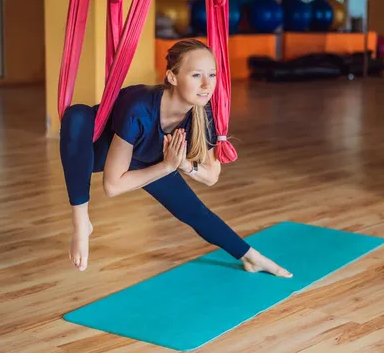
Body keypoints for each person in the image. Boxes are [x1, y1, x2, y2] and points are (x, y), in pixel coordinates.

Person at [60, 39, 292, 278]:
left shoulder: (205, 112)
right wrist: (167, 166)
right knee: (77, 115)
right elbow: (112, 185)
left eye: (212, 75)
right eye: (196, 75)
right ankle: (81, 223)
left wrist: (181, 165)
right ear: (172, 77)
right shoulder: (139, 107)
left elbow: (211, 176)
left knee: (194, 211)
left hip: (151, 158)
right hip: (98, 151)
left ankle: (251, 258)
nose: (206, 84)